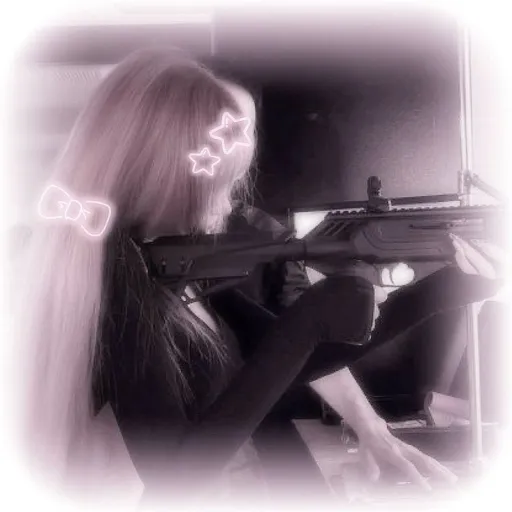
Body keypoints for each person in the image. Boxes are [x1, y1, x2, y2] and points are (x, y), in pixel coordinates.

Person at [15, 47, 503, 509]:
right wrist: (311, 319)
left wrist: (449, 287)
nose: (231, 202)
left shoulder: (166, 266)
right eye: (223, 183)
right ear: (168, 176)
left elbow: (297, 359)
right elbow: (175, 478)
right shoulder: (114, 280)